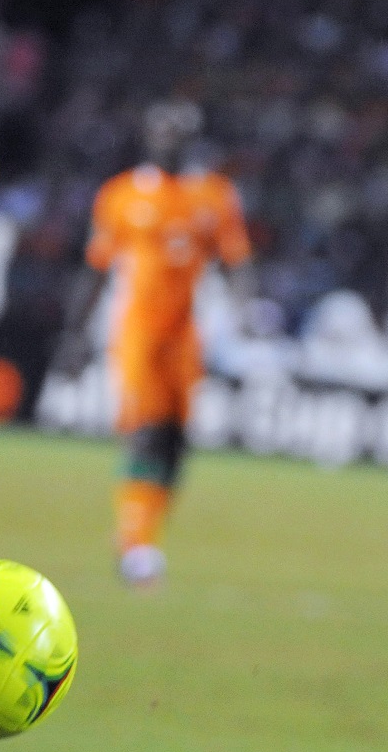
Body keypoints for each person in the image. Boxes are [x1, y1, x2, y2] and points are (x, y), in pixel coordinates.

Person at [54, 101, 252, 586]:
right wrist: (74, 337)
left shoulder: (214, 194)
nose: (170, 141)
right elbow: (96, 270)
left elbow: (236, 262)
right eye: (162, 132)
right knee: (143, 431)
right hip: (136, 333)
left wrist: (248, 310)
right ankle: (135, 545)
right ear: (149, 137)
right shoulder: (121, 195)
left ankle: (145, 531)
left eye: (179, 133)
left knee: (176, 443)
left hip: (186, 334)